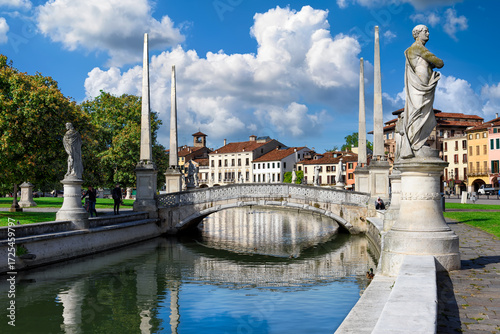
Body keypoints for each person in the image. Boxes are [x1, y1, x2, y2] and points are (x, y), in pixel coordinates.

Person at [400, 25, 443, 159]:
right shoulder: (417, 48)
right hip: (419, 87)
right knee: (418, 112)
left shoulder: (413, 49)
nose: (428, 34)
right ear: (418, 34)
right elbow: (439, 63)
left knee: (420, 112)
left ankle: (417, 143)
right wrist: (432, 64)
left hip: (423, 86)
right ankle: (416, 144)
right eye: (425, 31)